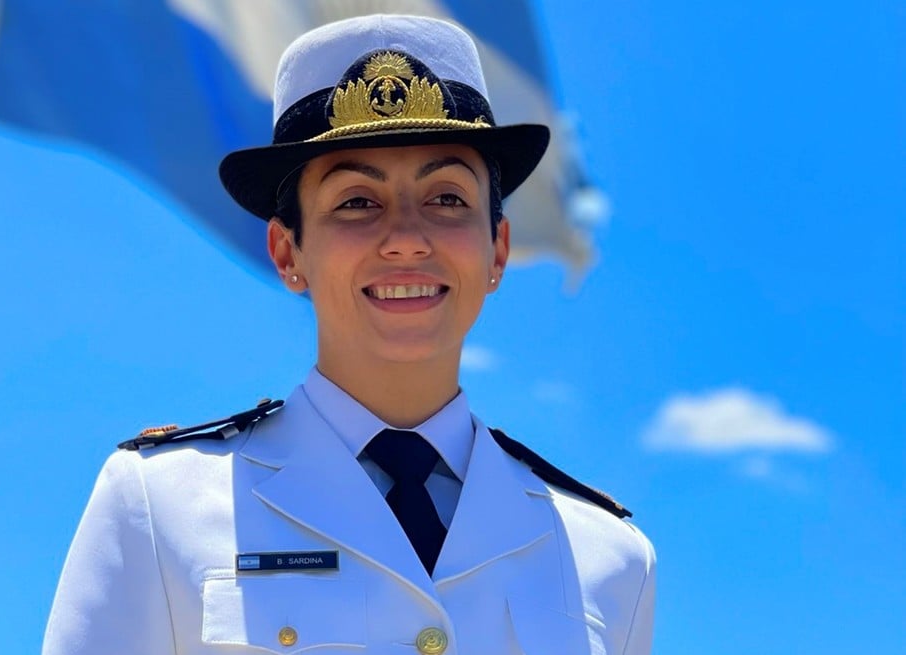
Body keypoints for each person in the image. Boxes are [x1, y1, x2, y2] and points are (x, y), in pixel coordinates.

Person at [42, 14, 655, 655]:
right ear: (287, 252)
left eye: (447, 198)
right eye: (357, 201)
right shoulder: (157, 505)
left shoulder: (610, 556)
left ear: (497, 249)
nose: (407, 238)